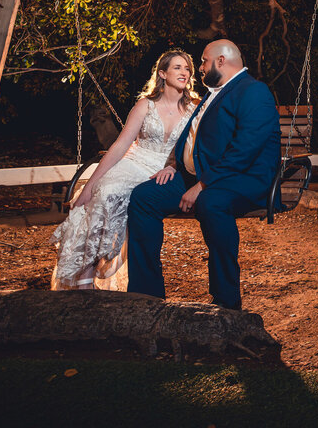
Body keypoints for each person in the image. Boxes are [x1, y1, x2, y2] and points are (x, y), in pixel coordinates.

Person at [127, 39, 280, 309]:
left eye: (203, 61)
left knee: (211, 203)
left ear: (221, 61)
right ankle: (146, 295)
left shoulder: (253, 91)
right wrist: (174, 165)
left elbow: (245, 149)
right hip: (200, 176)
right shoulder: (214, 93)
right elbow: (196, 138)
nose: (199, 67)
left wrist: (202, 185)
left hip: (242, 179)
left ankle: (226, 301)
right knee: (143, 197)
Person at [49, 50, 199, 290]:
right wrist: (90, 185)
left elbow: (194, 148)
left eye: (187, 69)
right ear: (162, 73)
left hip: (165, 169)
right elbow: (120, 146)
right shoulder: (145, 105)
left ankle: (115, 273)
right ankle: (85, 276)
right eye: (178, 68)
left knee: (134, 205)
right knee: (106, 193)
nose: (184, 73)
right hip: (136, 162)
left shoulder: (195, 109)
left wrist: (173, 167)